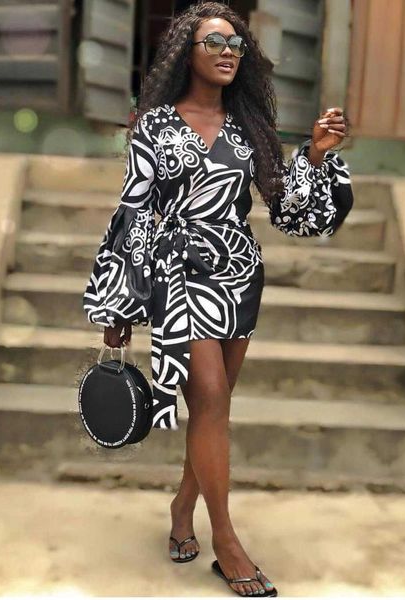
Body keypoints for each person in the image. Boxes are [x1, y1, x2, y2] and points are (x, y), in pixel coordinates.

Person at [82, 2, 353, 596]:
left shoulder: (248, 125)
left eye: (236, 43)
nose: (228, 52)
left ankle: (183, 507)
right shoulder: (154, 126)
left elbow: (287, 209)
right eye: (214, 42)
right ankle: (226, 542)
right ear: (187, 53)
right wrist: (118, 304)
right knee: (207, 396)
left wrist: (315, 154)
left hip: (240, 276)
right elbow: (135, 211)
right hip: (179, 276)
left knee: (215, 409)